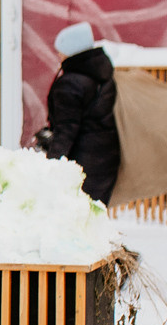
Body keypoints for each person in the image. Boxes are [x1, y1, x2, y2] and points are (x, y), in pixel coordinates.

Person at [39, 21, 121, 203]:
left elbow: (66, 130)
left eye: (61, 50)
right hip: (106, 158)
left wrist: (53, 162)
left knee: (76, 215)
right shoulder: (102, 75)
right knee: (94, 215)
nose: (59, 55)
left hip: (82, 162)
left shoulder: (70, 84)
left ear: (71, 51)